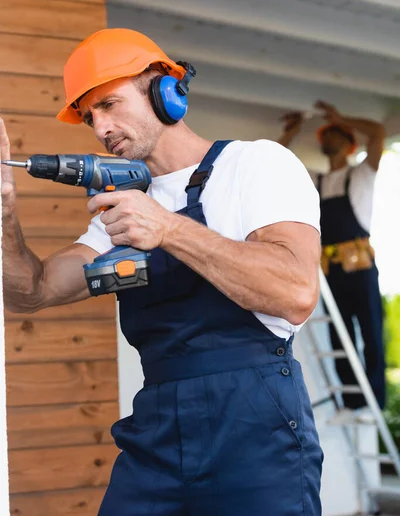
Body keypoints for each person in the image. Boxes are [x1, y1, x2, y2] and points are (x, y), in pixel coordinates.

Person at [2, 28, 323, 515]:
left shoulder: (255, 165)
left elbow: (296, 291)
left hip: (255, 426)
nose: (100, 129)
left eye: (109, 104)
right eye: (90, 117)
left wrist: (168, 229)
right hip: (156, 428)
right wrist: (4, 216)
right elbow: (33, 291)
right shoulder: (124, 213)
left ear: (162, 87)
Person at [278, 101, 386, 416]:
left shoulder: (362, 173)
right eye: (327, 134)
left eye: (334, 133)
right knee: (340, 336)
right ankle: (352, 400)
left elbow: (378, 132)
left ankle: (374, 399)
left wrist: (341, 116)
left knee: (370, 330)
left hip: (361, 266)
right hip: (330, 269)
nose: (327, 139)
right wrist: (291, 132)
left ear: (348, 141)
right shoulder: (317, 181)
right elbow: (277, 163)